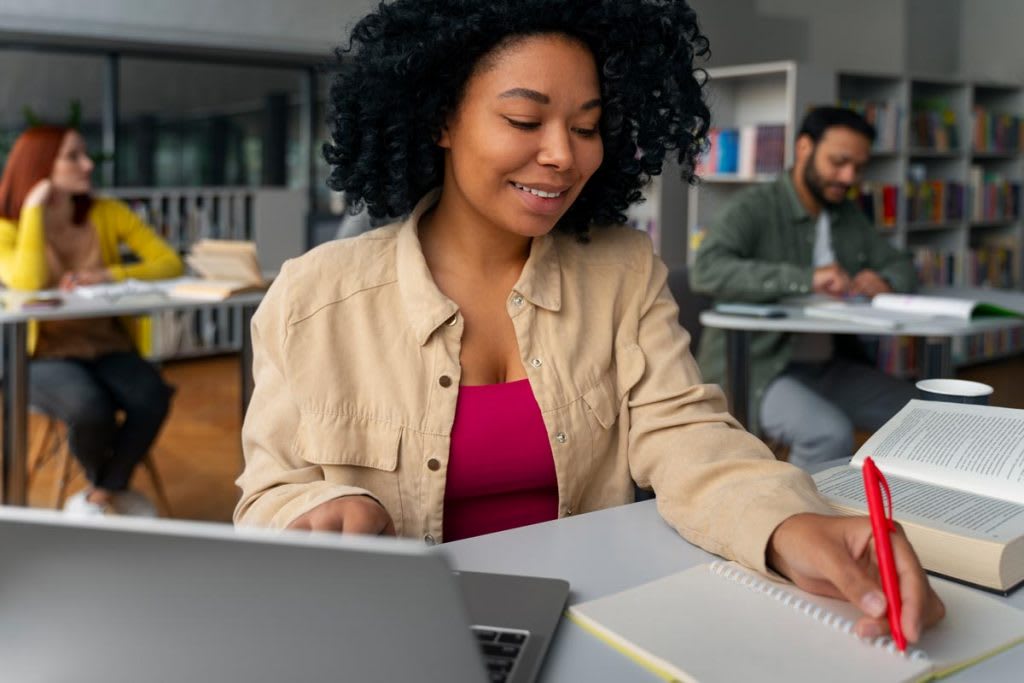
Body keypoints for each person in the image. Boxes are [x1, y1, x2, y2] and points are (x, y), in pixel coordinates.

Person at [235, 0, 943, 642]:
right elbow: (270, 490)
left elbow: (686, 433)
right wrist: (325, 506)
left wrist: (788, 522)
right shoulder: (313, 297)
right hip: (393, 633)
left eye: (586, 126)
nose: (562, 155)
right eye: (524, 119)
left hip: (593, 626)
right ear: (441, 118)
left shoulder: (623, 271)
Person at [691, 106, 919, 469]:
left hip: (829, 366)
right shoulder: (754, 207)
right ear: (803, 148)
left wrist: (886, 281)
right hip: (758, 369)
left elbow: (902, 264)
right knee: (827, 433)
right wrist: (805, 278)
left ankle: (921, 514)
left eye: (858, 168)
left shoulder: (847, 216)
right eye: (839, 162)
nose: (849, 177)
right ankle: (798, 518)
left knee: (925, 414)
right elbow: (706, 270)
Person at [0, 126, 184, 516]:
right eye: (73, 156)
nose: (87, 164)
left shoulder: (107, 212)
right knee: (90, 409)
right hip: (41, 355)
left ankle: (101, 492)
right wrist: (34, 208)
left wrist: (111, 274)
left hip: (105, 344)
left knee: (152, 396)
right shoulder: (6, 226)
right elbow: (27, 282)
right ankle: (111, 488)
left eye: (85, 154)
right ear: (40, 165)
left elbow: (169, 262)